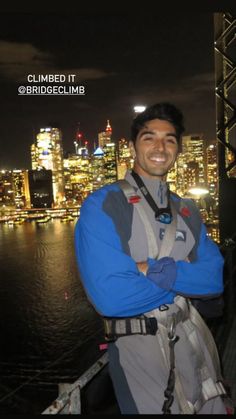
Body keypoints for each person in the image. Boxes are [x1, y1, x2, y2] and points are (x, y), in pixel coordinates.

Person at [74, 102, 228, 414]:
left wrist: (153, 270)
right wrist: (185, 276)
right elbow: (112, 298)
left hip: (194, 337)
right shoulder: (103, 205)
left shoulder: (187, 209)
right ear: (132, 147)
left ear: (178, 150)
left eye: (169, 139)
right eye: (149, 138)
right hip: (138, 351)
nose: (160, 146)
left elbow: (213, 278)